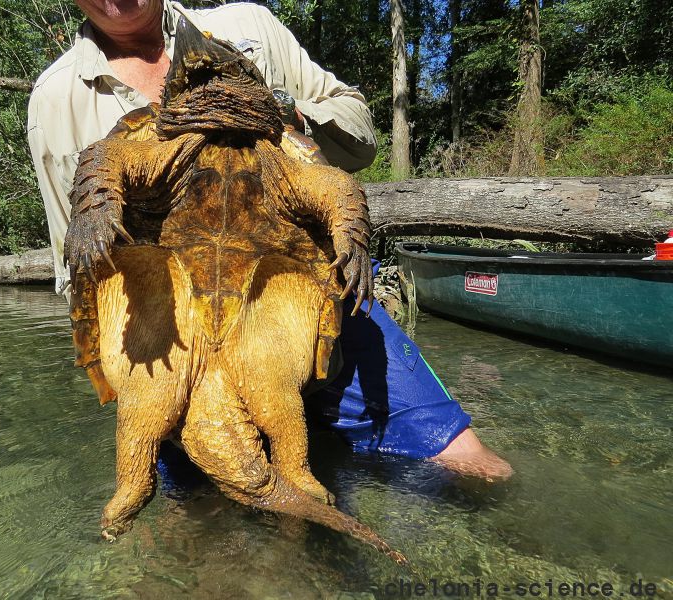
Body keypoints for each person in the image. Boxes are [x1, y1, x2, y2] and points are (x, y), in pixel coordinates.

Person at [27, 0, 513, 481]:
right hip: (170, 332)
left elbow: (356, 150)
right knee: (195, 524)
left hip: (308, 296)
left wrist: (280, 113)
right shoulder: (54, 100)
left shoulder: (247, 24)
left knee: (475, 468)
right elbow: (80, 266)